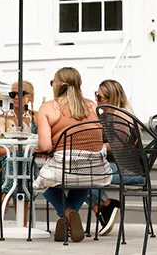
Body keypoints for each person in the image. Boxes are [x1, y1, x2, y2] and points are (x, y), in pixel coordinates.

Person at [35, 67, 107, 243]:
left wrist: (48, 149)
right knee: (84, 178)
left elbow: (44, 145)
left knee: (40, 179)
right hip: (96, 168)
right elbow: (101, 136)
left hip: (65, 165)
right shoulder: (93, 105)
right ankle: (68, 219)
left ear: (57, 85)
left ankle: (67, 213)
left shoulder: (48, 107)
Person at [90, 79, 142, 236]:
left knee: (81, 174)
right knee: (78, 173)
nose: (96, 100)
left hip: (132, 172)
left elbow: (116, 147)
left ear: (111, 98)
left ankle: (106, 205)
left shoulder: (121, 117)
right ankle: (103, 206)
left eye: (99, 97)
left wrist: (91, 146)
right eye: (95, 95)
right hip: (118, 167)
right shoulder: (109, 114)